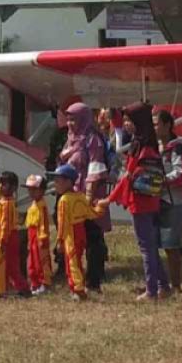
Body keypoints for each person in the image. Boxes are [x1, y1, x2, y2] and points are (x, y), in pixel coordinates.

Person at [103, 102, 171, 301]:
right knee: (150, 245)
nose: (126, 125)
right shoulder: (148, 143)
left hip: (140, 202)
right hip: (152, 200)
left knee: (146, 248)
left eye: (129, 121)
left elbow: (127, 177)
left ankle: (151, 290)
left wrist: (109, 199)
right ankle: (163, 286)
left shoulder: (139, 146)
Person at [59, 102, 110, 294]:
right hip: (72, 197)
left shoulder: (92, 139)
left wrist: (87, 199)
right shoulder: (71, 139)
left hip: (88, 197)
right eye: (69, 119)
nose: (70, 123)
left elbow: (95, 168)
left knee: (93, 238)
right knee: (75, 238)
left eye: (74, 119)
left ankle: (94, 281)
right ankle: (75, 276)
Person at [50, 164, 104, 301]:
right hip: (81, 233)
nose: (55, 184)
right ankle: (77, 287)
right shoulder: (80, 196)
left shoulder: (63, 200)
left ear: (68, 182)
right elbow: (91, 214)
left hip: (71, 234)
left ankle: (79, 290)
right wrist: (100, 207)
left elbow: (62, 224)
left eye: (58, 181)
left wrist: (60, 241)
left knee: (72, 263)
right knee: (77, 260)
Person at [157, 109, 182, 294]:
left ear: (167, 125)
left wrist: (160, 182)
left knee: (171, 246)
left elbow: (181, 173)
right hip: (159, 201)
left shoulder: (177, 146)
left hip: (174, 202)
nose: (154, 127)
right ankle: (159, 284)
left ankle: (176, 285)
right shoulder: (156, 147)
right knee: (156, 244)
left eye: (157, 123)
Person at [0, 171, 29, 299]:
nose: (0, 186)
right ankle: (9, 287)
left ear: (13, 188)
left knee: (4, 263)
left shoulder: (6, 204)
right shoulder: (4, 201)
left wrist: (2, 240)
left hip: (5, 236)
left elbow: (5, 224)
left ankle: (3, 290)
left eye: (4, 183)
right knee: (6, 264)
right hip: (2, 233)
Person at [24, 174, 52, 295]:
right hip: (31, 235)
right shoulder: (33, 204)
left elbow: (43, 223)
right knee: (32, 261)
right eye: (29, 189)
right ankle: (34, 283)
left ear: (42, 190)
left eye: (34, 189)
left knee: (41, 260)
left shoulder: (41, 205)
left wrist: (42, 237)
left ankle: (43, 283)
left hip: (39, 235)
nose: (31, 192)